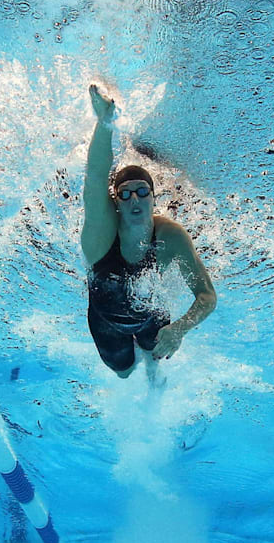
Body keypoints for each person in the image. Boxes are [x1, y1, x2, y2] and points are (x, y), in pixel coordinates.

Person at [81, 85, 217, 377]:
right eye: (125, 194)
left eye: (142, 192)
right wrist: (104, 123)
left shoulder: (171, 236)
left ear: (154, 198)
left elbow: (206, 295)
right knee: (124, 371)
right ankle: (132, 370)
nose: (134, 200)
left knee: (156, 363)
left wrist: (179, 328)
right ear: (115, 201)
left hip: (150, 317)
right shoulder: (103, 238)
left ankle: (153, 378)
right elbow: (94, 178)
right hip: (106, 321)